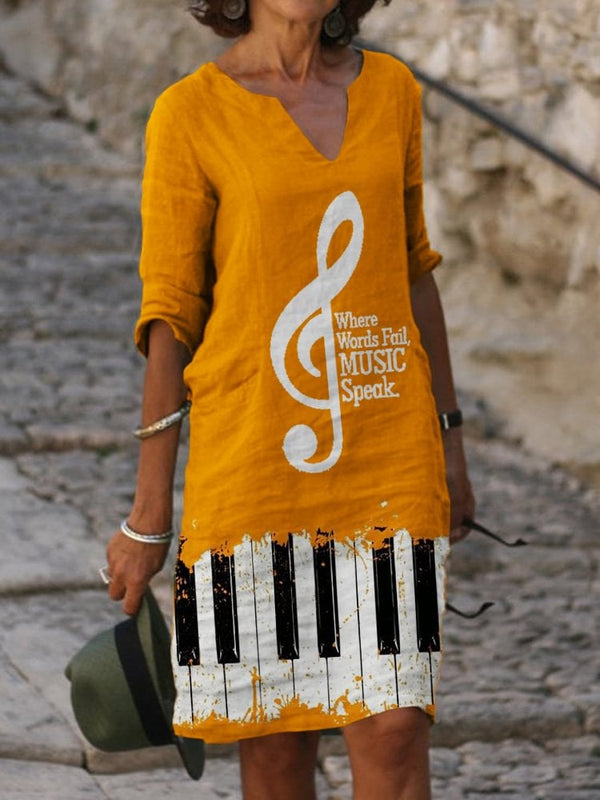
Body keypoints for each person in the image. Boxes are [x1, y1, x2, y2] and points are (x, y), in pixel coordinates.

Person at [105, 0, 474, 797]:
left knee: (396, 723)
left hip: (388, 457)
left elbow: (413, 269)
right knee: (277, 745)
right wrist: (148, 512)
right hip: (251, 472)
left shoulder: (395, 92)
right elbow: (170, 316)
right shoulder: (190, 112)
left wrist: (450, 441)